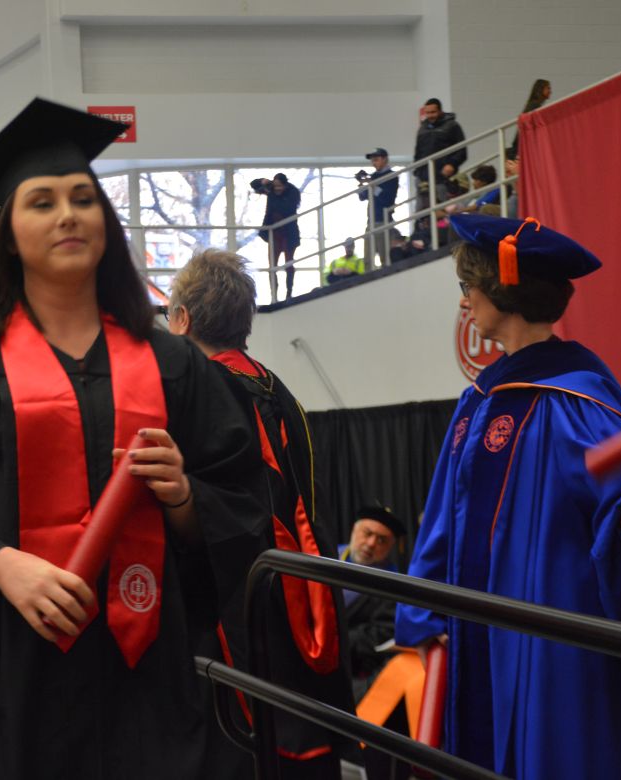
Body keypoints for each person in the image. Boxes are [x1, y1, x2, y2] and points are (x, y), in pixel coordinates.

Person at [0, 98, 265, 779]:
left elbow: (241, 502)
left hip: (147, 676)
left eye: (83, 198)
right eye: (41, 202)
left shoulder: (173, 364)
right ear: (9, 235)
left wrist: (184, 497)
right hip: (5, 670)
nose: (68, 215)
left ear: (107, 222)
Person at [394, 214, 621, 779]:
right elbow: (444, 517)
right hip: (473, 633)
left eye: (468, 286)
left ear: (503, 289)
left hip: (549, 641)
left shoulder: (576, 399)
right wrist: (423, 609)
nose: (465, 301)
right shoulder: (478, 399)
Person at [167, 248, 354, 779]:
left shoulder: (198, 393)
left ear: (182, 319)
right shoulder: (278, 389)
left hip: (227, 599)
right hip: (296, 584)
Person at [339, 506, 405, 700]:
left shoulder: (393, 586)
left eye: (381, 540)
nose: (371, 543)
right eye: (367, 533)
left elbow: (380, 633)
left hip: (349, 666)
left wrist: (338, 642)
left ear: (390, 548)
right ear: (354, 530)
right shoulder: (326, 556)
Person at [251, 172, 302, 303]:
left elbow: (287, 208)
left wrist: (271, 193)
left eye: (280, 186)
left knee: (289, 263)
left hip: (288, 233)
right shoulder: (271, 189)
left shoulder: (293, 192)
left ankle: (289, 293)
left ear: (285, 185)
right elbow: (254, 185)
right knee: (272, 266)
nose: (277, 189)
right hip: (274, 233)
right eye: (276, 186)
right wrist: (263, 181)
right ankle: (274, 296)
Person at [413, 99, 466, 211]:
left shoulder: (452, 126)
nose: (430, 115)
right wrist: (417, 171)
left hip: (443, 177)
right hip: (423, 178)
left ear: (440, 111)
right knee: (422, 211)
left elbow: (461, 150)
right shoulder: (423, 128)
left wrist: (452, 164)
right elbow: (418, 152)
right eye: (427, 113)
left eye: (433, 112)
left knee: (444, 210)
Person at [356, 147, 399, 265]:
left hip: (384, 221)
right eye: (372, 160)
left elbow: (387, 199)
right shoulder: (373, 176)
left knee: (385, 258)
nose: (373, 163)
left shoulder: (392, 176)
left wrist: (372, 184)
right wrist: (361, 184)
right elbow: (363, 196)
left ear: (385, 159)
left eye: (376, 159)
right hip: (371, 221)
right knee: (367, 260)